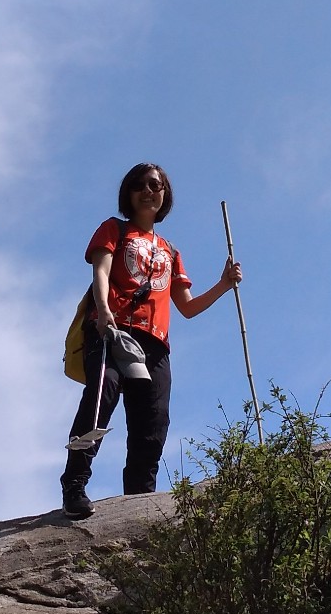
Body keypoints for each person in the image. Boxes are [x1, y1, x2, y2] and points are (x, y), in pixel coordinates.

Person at [61, 162, 243, 519]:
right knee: (102, 395)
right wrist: (102, 310)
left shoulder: (170, 251)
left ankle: (140, 502)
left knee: (153, 423)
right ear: (128, 193)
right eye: (141, 185)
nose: (149, 191)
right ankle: (75, 484)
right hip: (112, 328)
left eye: (156, 185)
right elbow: (101, 269)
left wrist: (223, 284)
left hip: (155, 343)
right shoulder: (114, 229)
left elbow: (187, 308)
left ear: (165, 195)